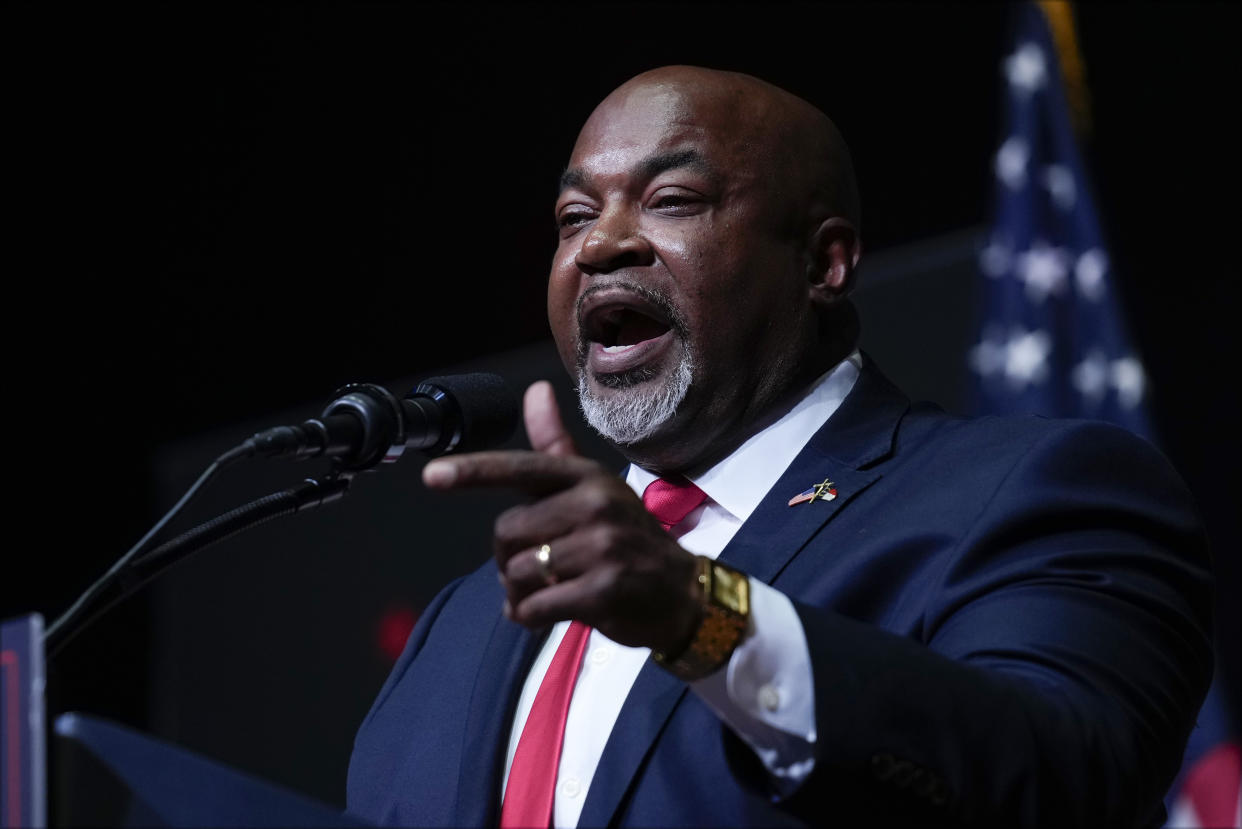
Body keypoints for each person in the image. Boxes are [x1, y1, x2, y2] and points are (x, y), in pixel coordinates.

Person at [346, 66, 1213, 826]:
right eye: (574, 217)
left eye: (672, 200)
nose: (601, 244)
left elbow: (1064, 781)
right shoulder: (459, 629)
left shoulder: (1032, 494)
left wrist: (699, 615)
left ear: (822, 264)